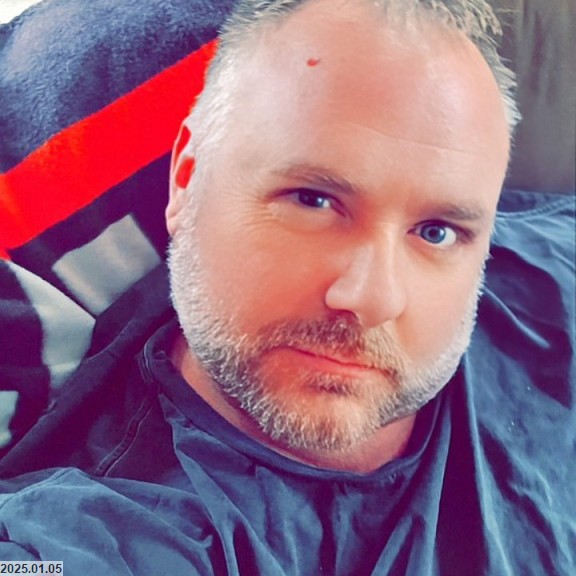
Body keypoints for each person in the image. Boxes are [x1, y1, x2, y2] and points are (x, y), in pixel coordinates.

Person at [0, 0, 574, 573]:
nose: (372, 298)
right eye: (313, 200)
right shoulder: (106, 535)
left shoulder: (549, 277)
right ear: (187, 179)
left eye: (437, 232)